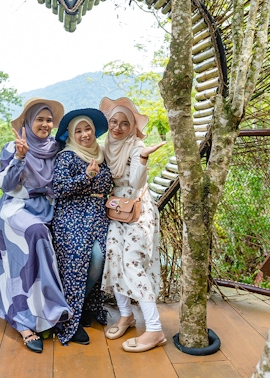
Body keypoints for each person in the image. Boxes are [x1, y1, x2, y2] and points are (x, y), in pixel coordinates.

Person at [0, 98, 72, 354]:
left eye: (49, 120)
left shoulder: (57, 148)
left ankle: (52, 312)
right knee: (35, 234)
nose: (45, 124)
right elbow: (5, 185)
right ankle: (26, 321)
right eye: (40, 119)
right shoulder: (13, 147)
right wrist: (19, 157)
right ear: (28, 121)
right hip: (16, 208)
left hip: (47, 208)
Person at [99, 97, 167, 353]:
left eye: (124, 123)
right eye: (113, 122)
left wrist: (144, 159)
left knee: (132, 261)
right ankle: (126, 315)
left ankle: (154, 328)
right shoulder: (107, 145)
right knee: (113, 257)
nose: (117, 128)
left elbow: (138, 183)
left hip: (138, 209)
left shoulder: (136, 145)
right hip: (117, 208)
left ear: (132, 127)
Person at [51, 109, 112, 346]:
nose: (84, 134)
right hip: (71, 216)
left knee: (104, 256)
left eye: (87, 129)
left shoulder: (102, 154)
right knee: (84, 259)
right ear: (70, 134)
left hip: (98, 215)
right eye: (78, 130)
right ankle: (68, 317)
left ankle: (81, 305)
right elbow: (58, 189)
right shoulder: (66, 157)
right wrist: (85, 177)